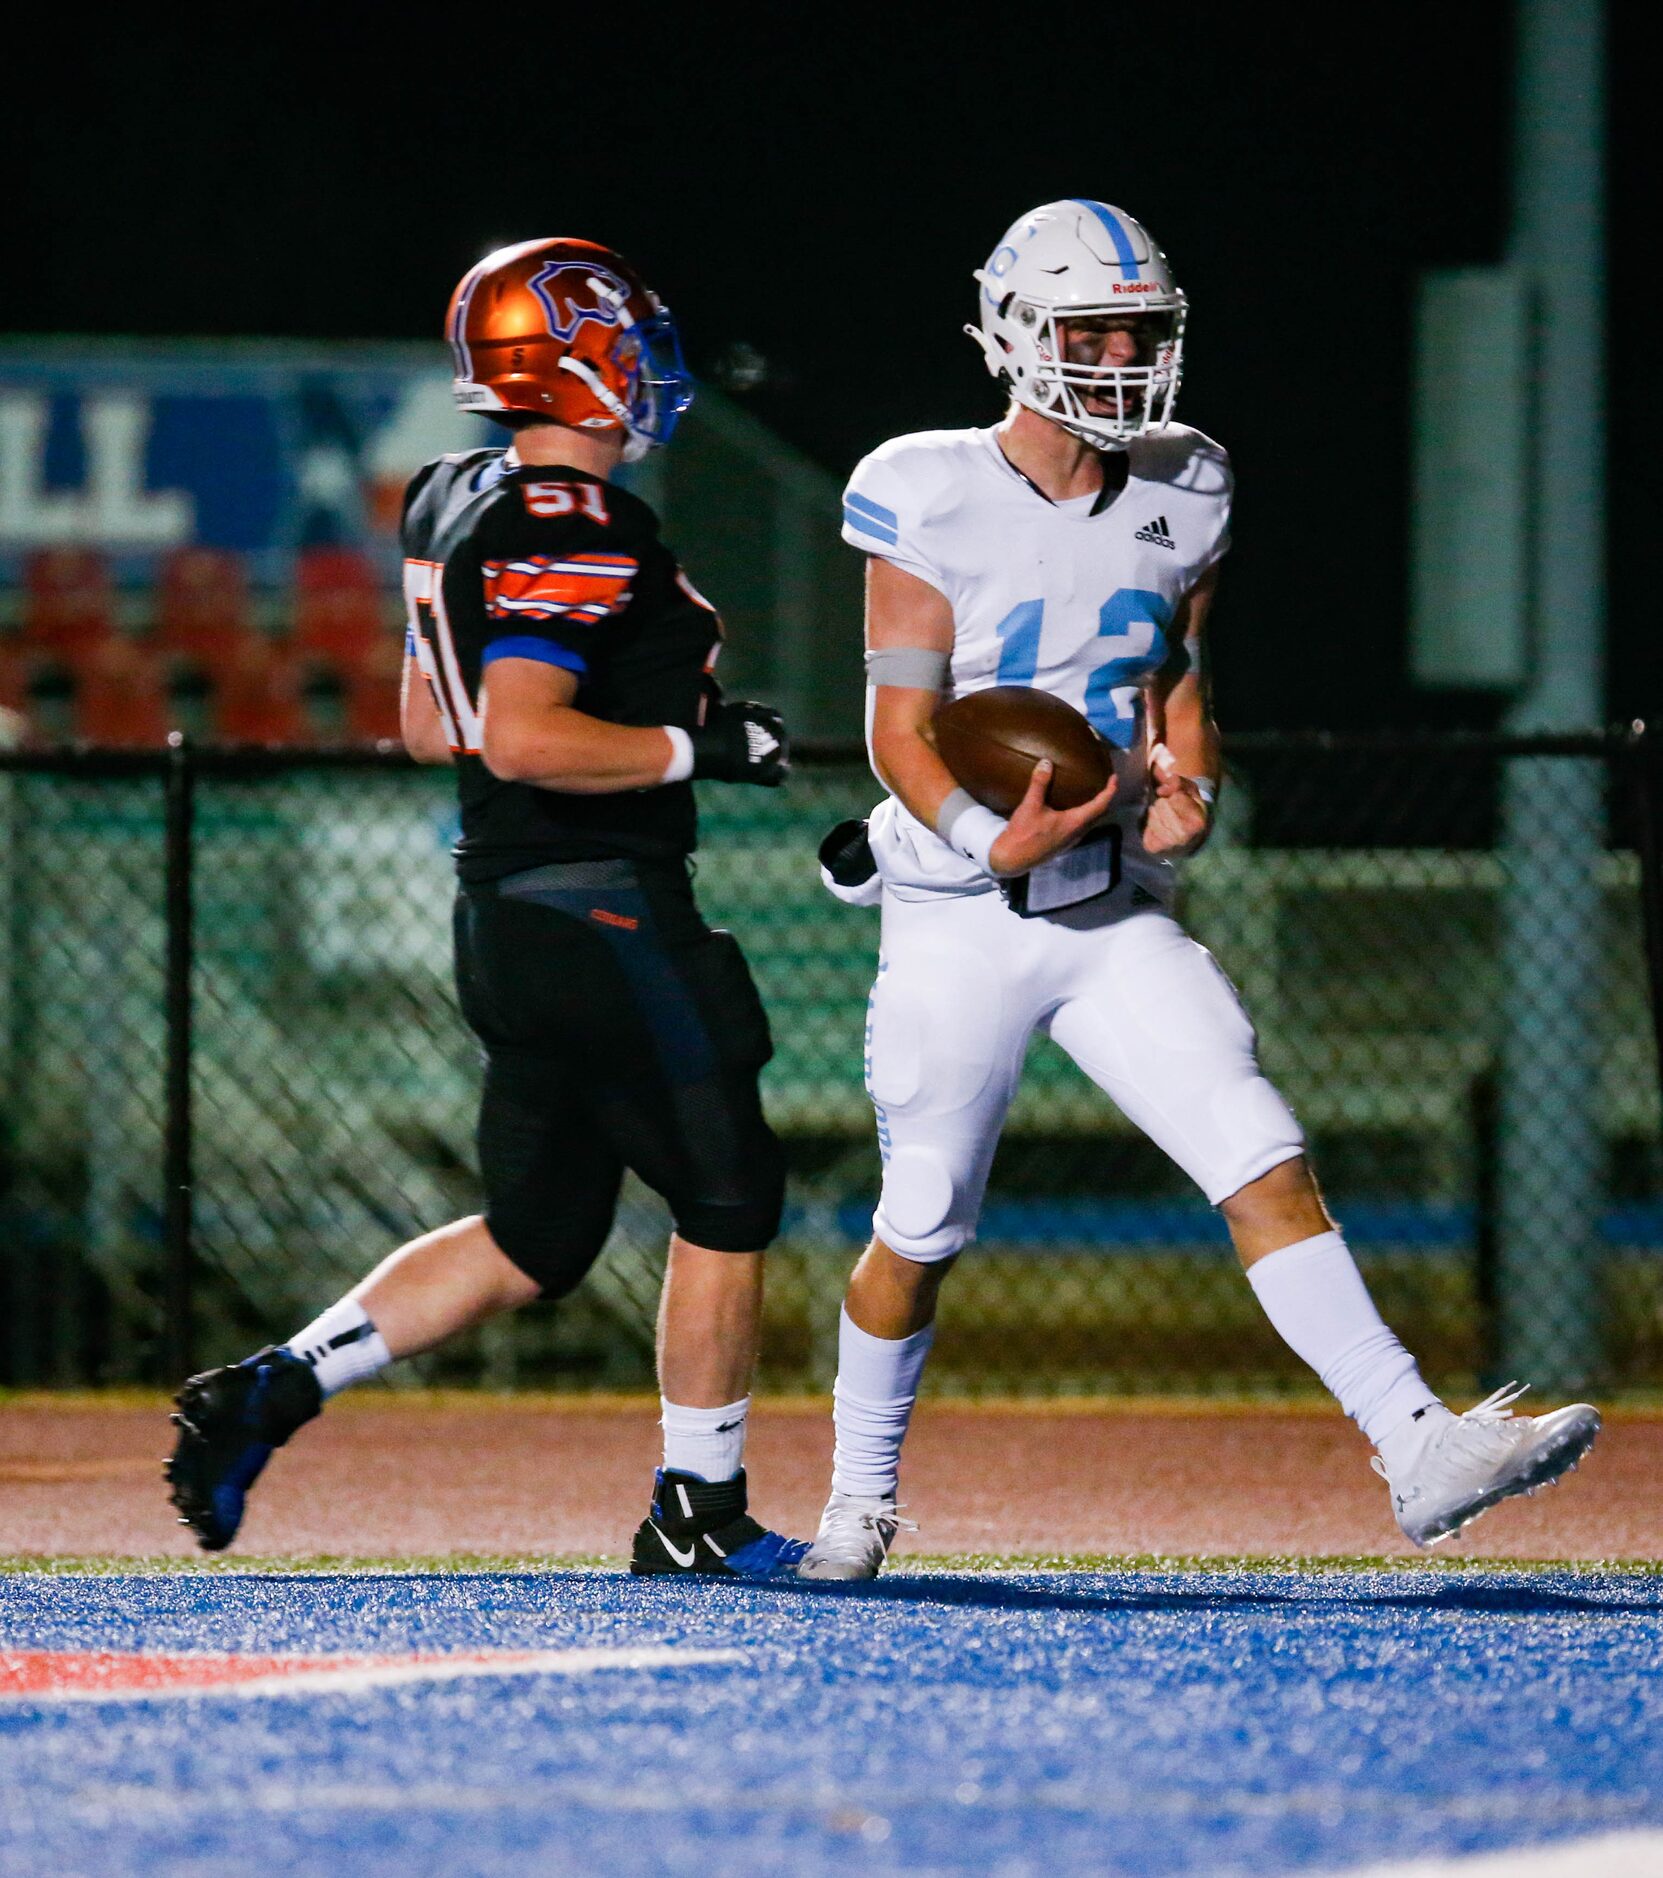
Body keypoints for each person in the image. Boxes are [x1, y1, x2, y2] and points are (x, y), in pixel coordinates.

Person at [799, 199, 1600, 1579]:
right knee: (922, 1218)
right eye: (1090, 330)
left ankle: (1415, 1445)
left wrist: (1190, 783)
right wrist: (974, 832)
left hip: (1112, 905)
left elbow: (1178, 677)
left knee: (1256, 1140)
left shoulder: (1193, 481)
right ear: (1012, 334)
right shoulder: (925, 486)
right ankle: (855, 1496)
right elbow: (898, 730)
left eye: (1139, 330)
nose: (1119, 357)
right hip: (961, 908)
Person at [167, 237, 808, 1580]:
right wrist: (703, 750)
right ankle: (699, 1506)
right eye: (624, 348)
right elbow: (519, 735)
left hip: (504, 916)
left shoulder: (454, 495)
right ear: (567, 360)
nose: (643, 376)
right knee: (729, 1187)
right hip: (602, 908)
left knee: (537, 1234)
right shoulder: (572, 520)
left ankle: (278, 1383)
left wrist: (661, 712)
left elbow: (428, 724)